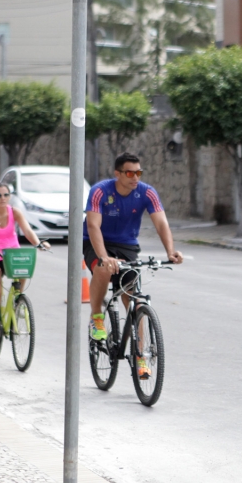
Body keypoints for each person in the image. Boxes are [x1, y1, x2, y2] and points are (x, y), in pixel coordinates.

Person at [85, 152, 183, 378]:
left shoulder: (147, 192)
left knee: (135, 300)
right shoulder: (100, 191)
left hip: (127, 245)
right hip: (97, 242)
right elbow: (93, 226)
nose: (135, 177)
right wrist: (104, 257)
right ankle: (97, 318)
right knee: (102, 268)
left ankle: (141, 357)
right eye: (130, 173)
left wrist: (170, 251)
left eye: (138, 172)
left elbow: (161, 223)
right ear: (117, 174)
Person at [0, 184, 50, 357]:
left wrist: (38, 243)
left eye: (6, 195)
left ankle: (17, 302)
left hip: (11, 254)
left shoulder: (15, 212)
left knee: (24, 269)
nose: (2, 198)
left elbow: (27, 230)